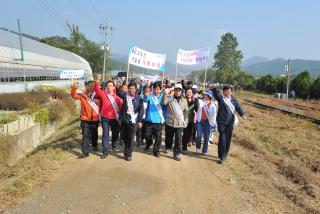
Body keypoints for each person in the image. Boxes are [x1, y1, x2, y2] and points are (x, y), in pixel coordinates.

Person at [211, 85, 246, 164]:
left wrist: (242, 114)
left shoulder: (234, 100)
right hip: (221, 122)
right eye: (226, 91)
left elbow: (238, 107)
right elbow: (216, 94)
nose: (228, 93)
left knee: (228, 139)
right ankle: (222, 157)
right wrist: (214, 88)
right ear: (223, 92)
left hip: (230, 122)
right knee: (223, 138)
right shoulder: (221, 98)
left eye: (229, 91)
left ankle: (224, 154)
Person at [94, 74, 123, 159]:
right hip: (105, 118)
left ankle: (114, 144)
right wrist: (97, 81)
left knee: (115, 133)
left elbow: (121, 109)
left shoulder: (118, 98)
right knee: (105, 135)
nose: (109, 87)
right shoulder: (103, 94)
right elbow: (97, 90)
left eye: (111, 86)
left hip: (115, 119)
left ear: (114, 87)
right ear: (106, 87)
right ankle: (105, 151)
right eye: (108, 86)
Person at [71, 81, 100, 158]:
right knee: (85, 135)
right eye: (88, 85)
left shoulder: (98, 95)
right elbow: (74, 95)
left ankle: (94, 145)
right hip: (85, 119)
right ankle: (85, 152)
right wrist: (74, 87)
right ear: (86, 86)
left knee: (94, 134)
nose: (90, 87)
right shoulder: (83, 95)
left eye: (92, 85)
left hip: (95, 119)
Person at [162, 84, 188, 161]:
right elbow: (164, 103)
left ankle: (176, 153)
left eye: (179, 90)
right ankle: (168, 146)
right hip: (170, 122)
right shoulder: (170, 98)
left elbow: (186, 111)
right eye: (176, 90)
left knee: (178, 139)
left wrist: (185, 121)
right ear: (174, 90)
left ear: (181, 91)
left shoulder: (184, 100)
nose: (177, 91)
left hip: (180, 123)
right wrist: (165, 94)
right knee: (169, 138)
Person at [119, 82, 144, 161]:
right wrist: (119, 86)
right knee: (123, 136)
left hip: (133, 121)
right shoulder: (125, 96)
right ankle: (127, 147)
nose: (131, 90)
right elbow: (119, 92)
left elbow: (141, 110)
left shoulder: (139, 98)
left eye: (132, 88)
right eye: (129, 88)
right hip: (124, 120)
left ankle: (128, 154)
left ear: (136, 89)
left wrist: (140, 121)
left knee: (131, 137)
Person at [143, 82, 165, 157]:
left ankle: (156, 150)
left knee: (158, 137)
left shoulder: (163, 98)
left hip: (158, 121)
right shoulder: (150, 96)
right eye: (155, 89)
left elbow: (165, 108)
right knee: (146, 135)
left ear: (161, 90)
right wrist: (145, 96)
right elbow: (145, 100)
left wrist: (163, 118)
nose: (156, 91)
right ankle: (149, 143)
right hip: (149, 120)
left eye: (158, 89)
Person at [195, 90, 217, 156]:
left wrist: (208, 106)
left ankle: (205, 151)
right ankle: (198, 148)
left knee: (206, 137)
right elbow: (197, 101)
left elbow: (213, 114)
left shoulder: (213, 105)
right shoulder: (201, 102)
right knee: (199, 136)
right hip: (200, 121)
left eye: (206, 95)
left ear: (209, 96)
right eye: (204, 95)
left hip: (207, 122)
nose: (205, 96)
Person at [182, 88, 198, 152]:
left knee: (190, 133)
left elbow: (197, 109)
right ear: (185, 93)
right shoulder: (183, 100)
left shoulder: (195, 101)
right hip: (184, 119)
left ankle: (188, 141)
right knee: (185, 133)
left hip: (191, 120)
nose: (189, 93)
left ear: (192, 94)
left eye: (190, 92)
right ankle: (184, 148)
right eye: (187, 92)